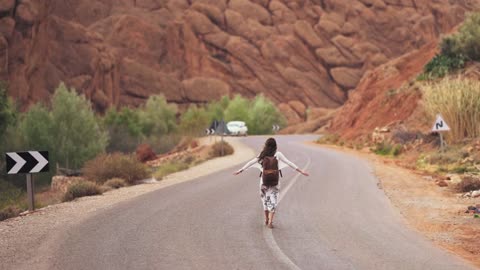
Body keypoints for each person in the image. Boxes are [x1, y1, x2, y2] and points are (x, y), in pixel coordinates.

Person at [233, 138, 309, 228]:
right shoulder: (278, 154)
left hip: (263, 182)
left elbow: (251, 162)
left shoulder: (262, 155)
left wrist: (240, 170)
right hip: (275, 182)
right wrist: (301, 171)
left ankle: (266, 219)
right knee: (273, 201)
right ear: (275, 146)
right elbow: (289, 163)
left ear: (266, 145)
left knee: (265, 201)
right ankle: (270, 222)